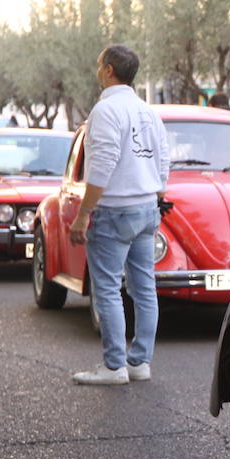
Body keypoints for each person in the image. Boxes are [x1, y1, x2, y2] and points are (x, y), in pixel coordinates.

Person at [69, 45, 171, 385]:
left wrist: (83, 214)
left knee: (109, 289)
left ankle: (114, 366)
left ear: (109, 70)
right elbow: (163, 160)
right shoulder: (148, 111)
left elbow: (101, 167)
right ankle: (140, 361)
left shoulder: (106, 110)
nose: (97, 71)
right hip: (146, 208)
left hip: (114, 210)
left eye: (99, 65)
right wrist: (155, 195)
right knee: (144, 288)